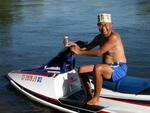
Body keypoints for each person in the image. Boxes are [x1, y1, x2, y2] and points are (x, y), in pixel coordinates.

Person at [69, 13, 127, 105]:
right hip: (107, 67)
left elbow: (99, 53)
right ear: (97, 26)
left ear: (111, 25)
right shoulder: (99, 37)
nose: (103, 28)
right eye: (100, 25)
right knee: (81, 70)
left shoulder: (114, 37)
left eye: (106, 25)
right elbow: (88, 47)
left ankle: (96, 98)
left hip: (118, 68)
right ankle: (88, 95)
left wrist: (79, 52)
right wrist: (74, 46)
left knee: (98, 68)